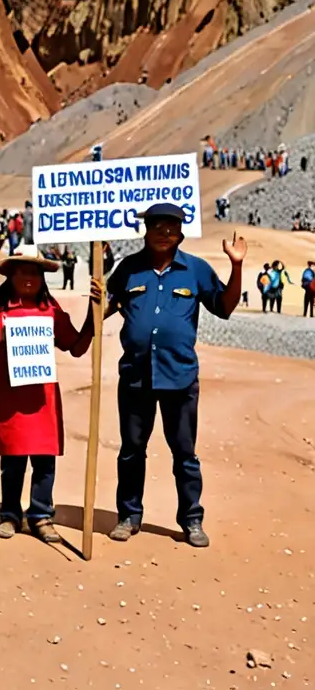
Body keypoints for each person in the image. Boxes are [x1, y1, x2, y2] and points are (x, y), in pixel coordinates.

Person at [104, 202, 245, 548]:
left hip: (179, 377)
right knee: (131, 450)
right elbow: (104, 306)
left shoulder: (195, 270)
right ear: (146, 231)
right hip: (136, 377)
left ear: (181, 233)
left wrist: (237, 266)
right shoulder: (127, 269)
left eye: (171, 228)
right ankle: (128, 515)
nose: (165, 234)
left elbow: (224, 307)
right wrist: (90, 313)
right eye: (157, 227)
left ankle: (192, 520)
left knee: (184, 452)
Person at [0, 254, 101, 542]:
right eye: (22, 272)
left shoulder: (50, 309)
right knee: (13, 461)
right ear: (11, 277)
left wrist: (95, 317)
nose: (29, 277)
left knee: (45, 461)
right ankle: (9, 514)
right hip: (11, 400)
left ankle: (41, 515)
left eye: (35, 272)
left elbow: (76, 346)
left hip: (44, 402)